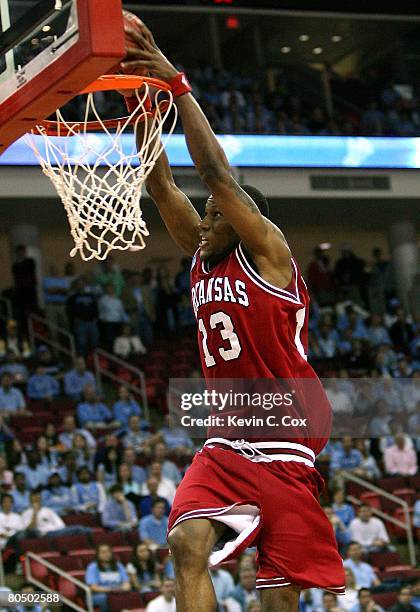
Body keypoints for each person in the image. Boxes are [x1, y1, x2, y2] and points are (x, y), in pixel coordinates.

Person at [123, 21, 345, 612]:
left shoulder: (269, 257)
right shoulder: (203, 260)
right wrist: (139, 103)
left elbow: (217, 179)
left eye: (215, 215)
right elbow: (162, 184)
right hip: (228, 434)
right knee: (183, 542)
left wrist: (174, 84)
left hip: (286, 429)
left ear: (240, 221)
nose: (204, 219)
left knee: (276, 592)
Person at [85, 544, 130, 612]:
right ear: (98, 554)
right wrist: (111, 590)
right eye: (103, 552)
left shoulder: (118, 565)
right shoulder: (92, 567)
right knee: (107, 598)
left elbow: (127, 584)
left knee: (132, 594)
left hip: (118, 592)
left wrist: (122, 589)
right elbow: (94, 587)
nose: (106, 554)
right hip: (99, 595)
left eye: (108, 552)